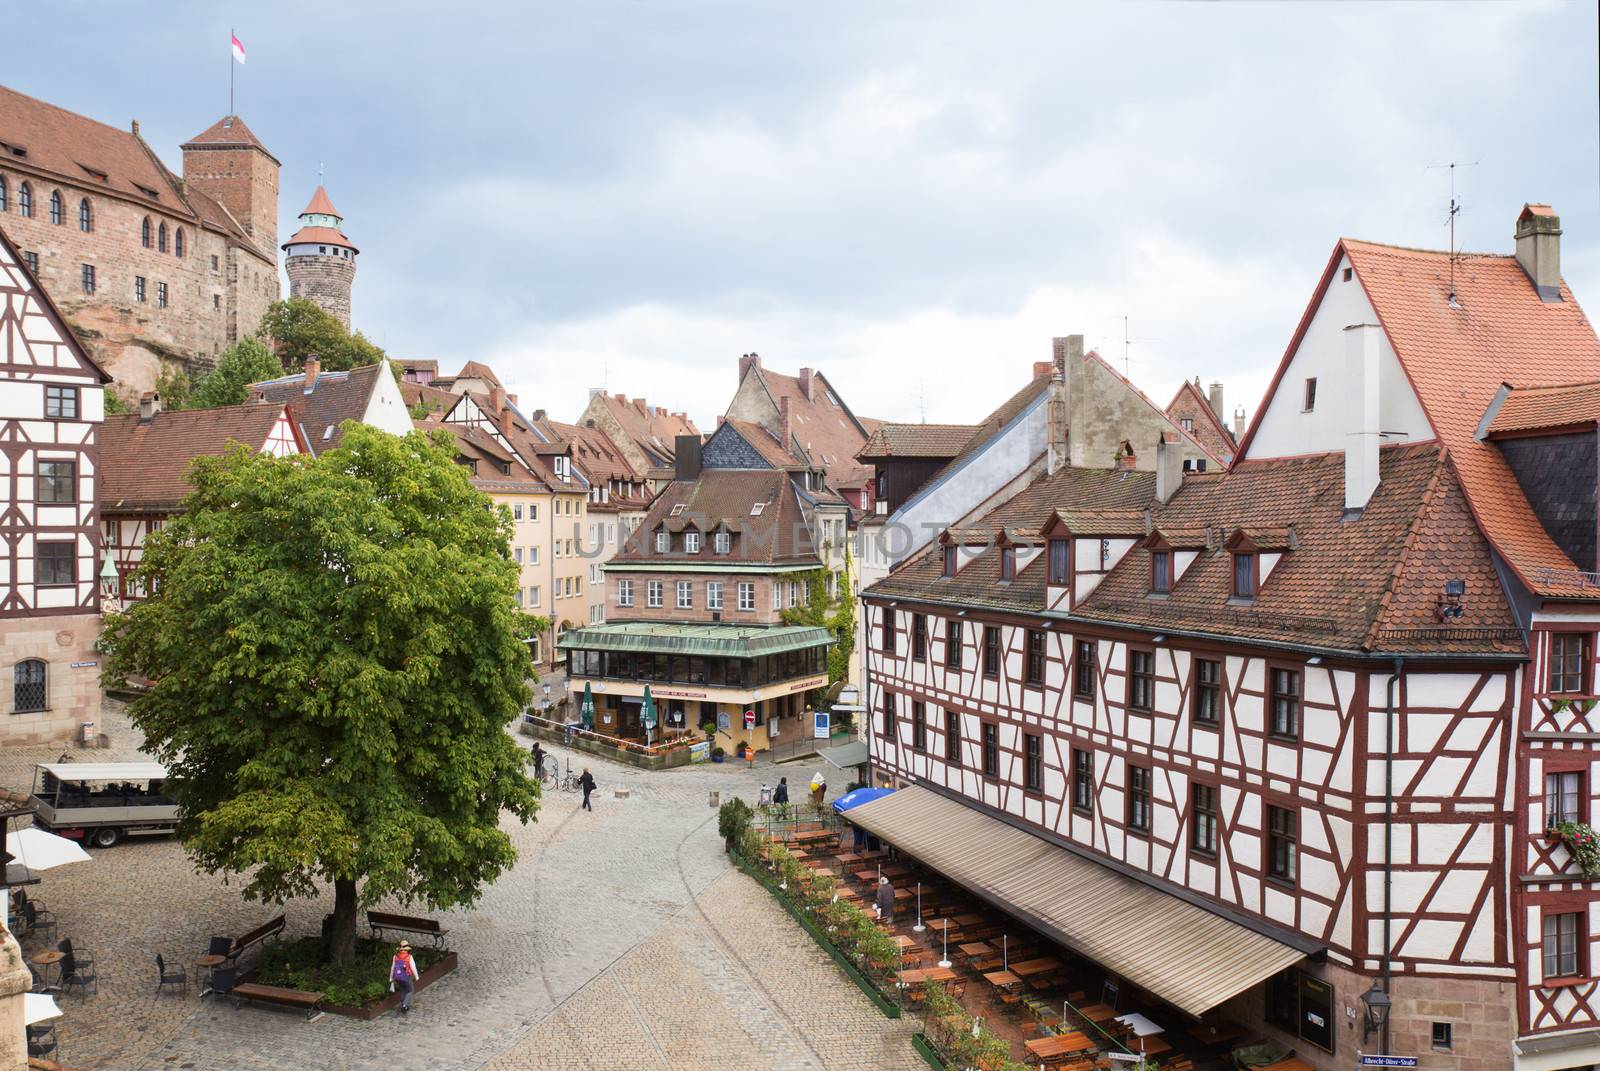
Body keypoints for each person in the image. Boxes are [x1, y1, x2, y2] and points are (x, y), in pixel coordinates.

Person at [390, 940, 419, 1015]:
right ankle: (404, 1005)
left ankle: (404, 1006)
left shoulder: (395, 956)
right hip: (406, 977)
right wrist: (416, 976)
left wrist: (391, 977)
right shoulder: (409, 957)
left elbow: (392, 968)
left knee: (403, 991)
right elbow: (413, 967)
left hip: (398, 977)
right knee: (410, 990)